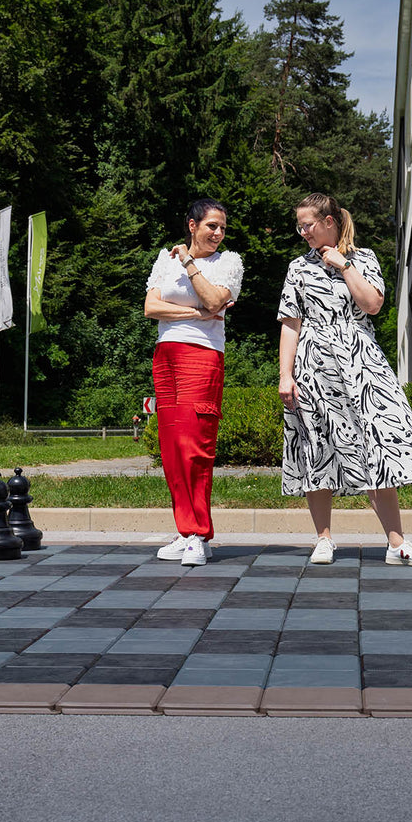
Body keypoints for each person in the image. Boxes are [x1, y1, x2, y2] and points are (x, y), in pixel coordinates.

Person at [276, 192, 412, 566]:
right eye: (299, 226)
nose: (303, 232)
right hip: (314, 364)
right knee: (316, 445)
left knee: (377, 443)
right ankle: (323, 539)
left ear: (329, 221)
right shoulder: (298, 268)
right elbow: (290, 324)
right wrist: (286, 375)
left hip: (361, 360)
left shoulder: (364, 259)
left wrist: (344, 266)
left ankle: (396, 544)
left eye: (308, 225)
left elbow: (373, 305)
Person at [145, 199, 244, 566]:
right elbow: (150, 308)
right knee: (171, 449)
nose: (217, 233)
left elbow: (216, 299)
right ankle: (185, 530)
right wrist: (197, 313)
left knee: (195, 446)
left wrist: (189, 262)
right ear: (192, 225)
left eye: (221, 227)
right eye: (211, 226)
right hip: (165, 357)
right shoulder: (163, 257)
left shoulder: (228, 262)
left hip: (201, 356)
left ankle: (199, 535)